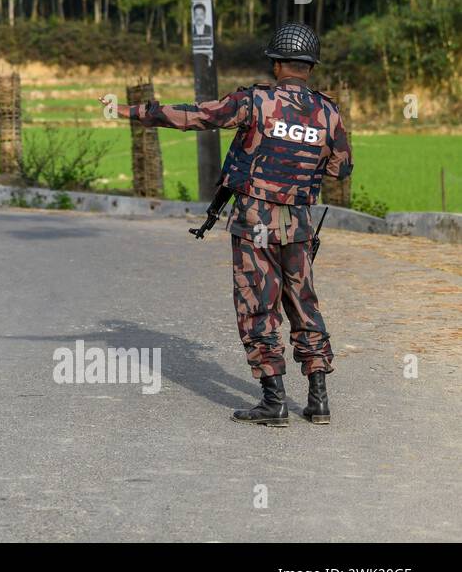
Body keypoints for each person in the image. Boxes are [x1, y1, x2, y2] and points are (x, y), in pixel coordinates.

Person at [99, 22, 352, 427]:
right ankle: (318, 399)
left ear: (276, 63)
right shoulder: (329, 111)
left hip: (256, 220)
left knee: (257, 306)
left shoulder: (255, 101)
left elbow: (197, 116)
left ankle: (274, 401)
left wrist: (131, 110)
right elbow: (341, 169)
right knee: (304, 304)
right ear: (309, 66)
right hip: (301, 223)